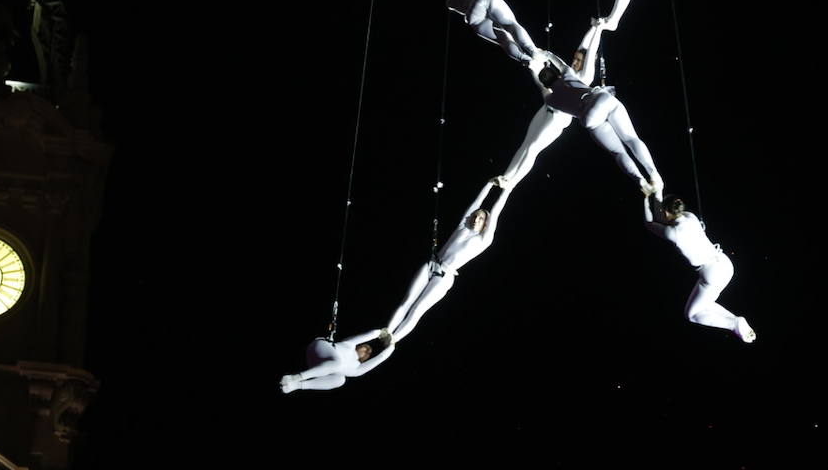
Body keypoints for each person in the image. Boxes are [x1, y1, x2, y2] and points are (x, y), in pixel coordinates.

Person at [500, 22, 662, 195]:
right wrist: (543, 54)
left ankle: (640, 180)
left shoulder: (552, 99)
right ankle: (654, 174)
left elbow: (541, 87)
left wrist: (532, 67)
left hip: (588, 117)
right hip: (599, 99)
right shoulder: (568, 74)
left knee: (618, 152)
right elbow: (559, 61)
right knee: (630, 138)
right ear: (555, 75)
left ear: (546, 83)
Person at [385, 178, 512, 342]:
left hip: (445, 276)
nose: (475, 219)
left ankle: (394, 339)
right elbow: (476, 203)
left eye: (481, 219)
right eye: (475, 216)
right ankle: (386, 332)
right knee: (407, 300)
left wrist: (505, 191)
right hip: (431, 264)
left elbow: (495, 213)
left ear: (485, 225)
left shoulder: (483, 241)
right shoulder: (463, 226)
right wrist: (489, 184)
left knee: (417, 309)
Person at [643, 194, 756, 342]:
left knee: (692, 314)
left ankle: (734, 323)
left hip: (712, 274)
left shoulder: (672, 233)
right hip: (724, 263)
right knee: (705, 304)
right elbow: (663, 218)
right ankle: (736, 322)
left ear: (665, 212)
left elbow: (649, 223)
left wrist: (646, 199)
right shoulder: (690, 216)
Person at [442, 0, 540, 64]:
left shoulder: (451, 1)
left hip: (473, 17)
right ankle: (534, 52)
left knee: (503, 40)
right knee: (510, 25)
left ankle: (525, 60)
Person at [280, 328, 395, 392]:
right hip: (320, 349)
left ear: (365, 358)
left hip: (318, 367)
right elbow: (366, 336)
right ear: (360, 346)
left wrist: (391, 347)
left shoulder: (356, 369)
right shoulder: (350, 345)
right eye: (365, 347)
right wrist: (380, 333)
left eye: (367, 352)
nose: (365, 350)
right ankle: (297, 376)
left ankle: (296, 385)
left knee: (340, 380)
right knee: (337, 363)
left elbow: (380, 358)